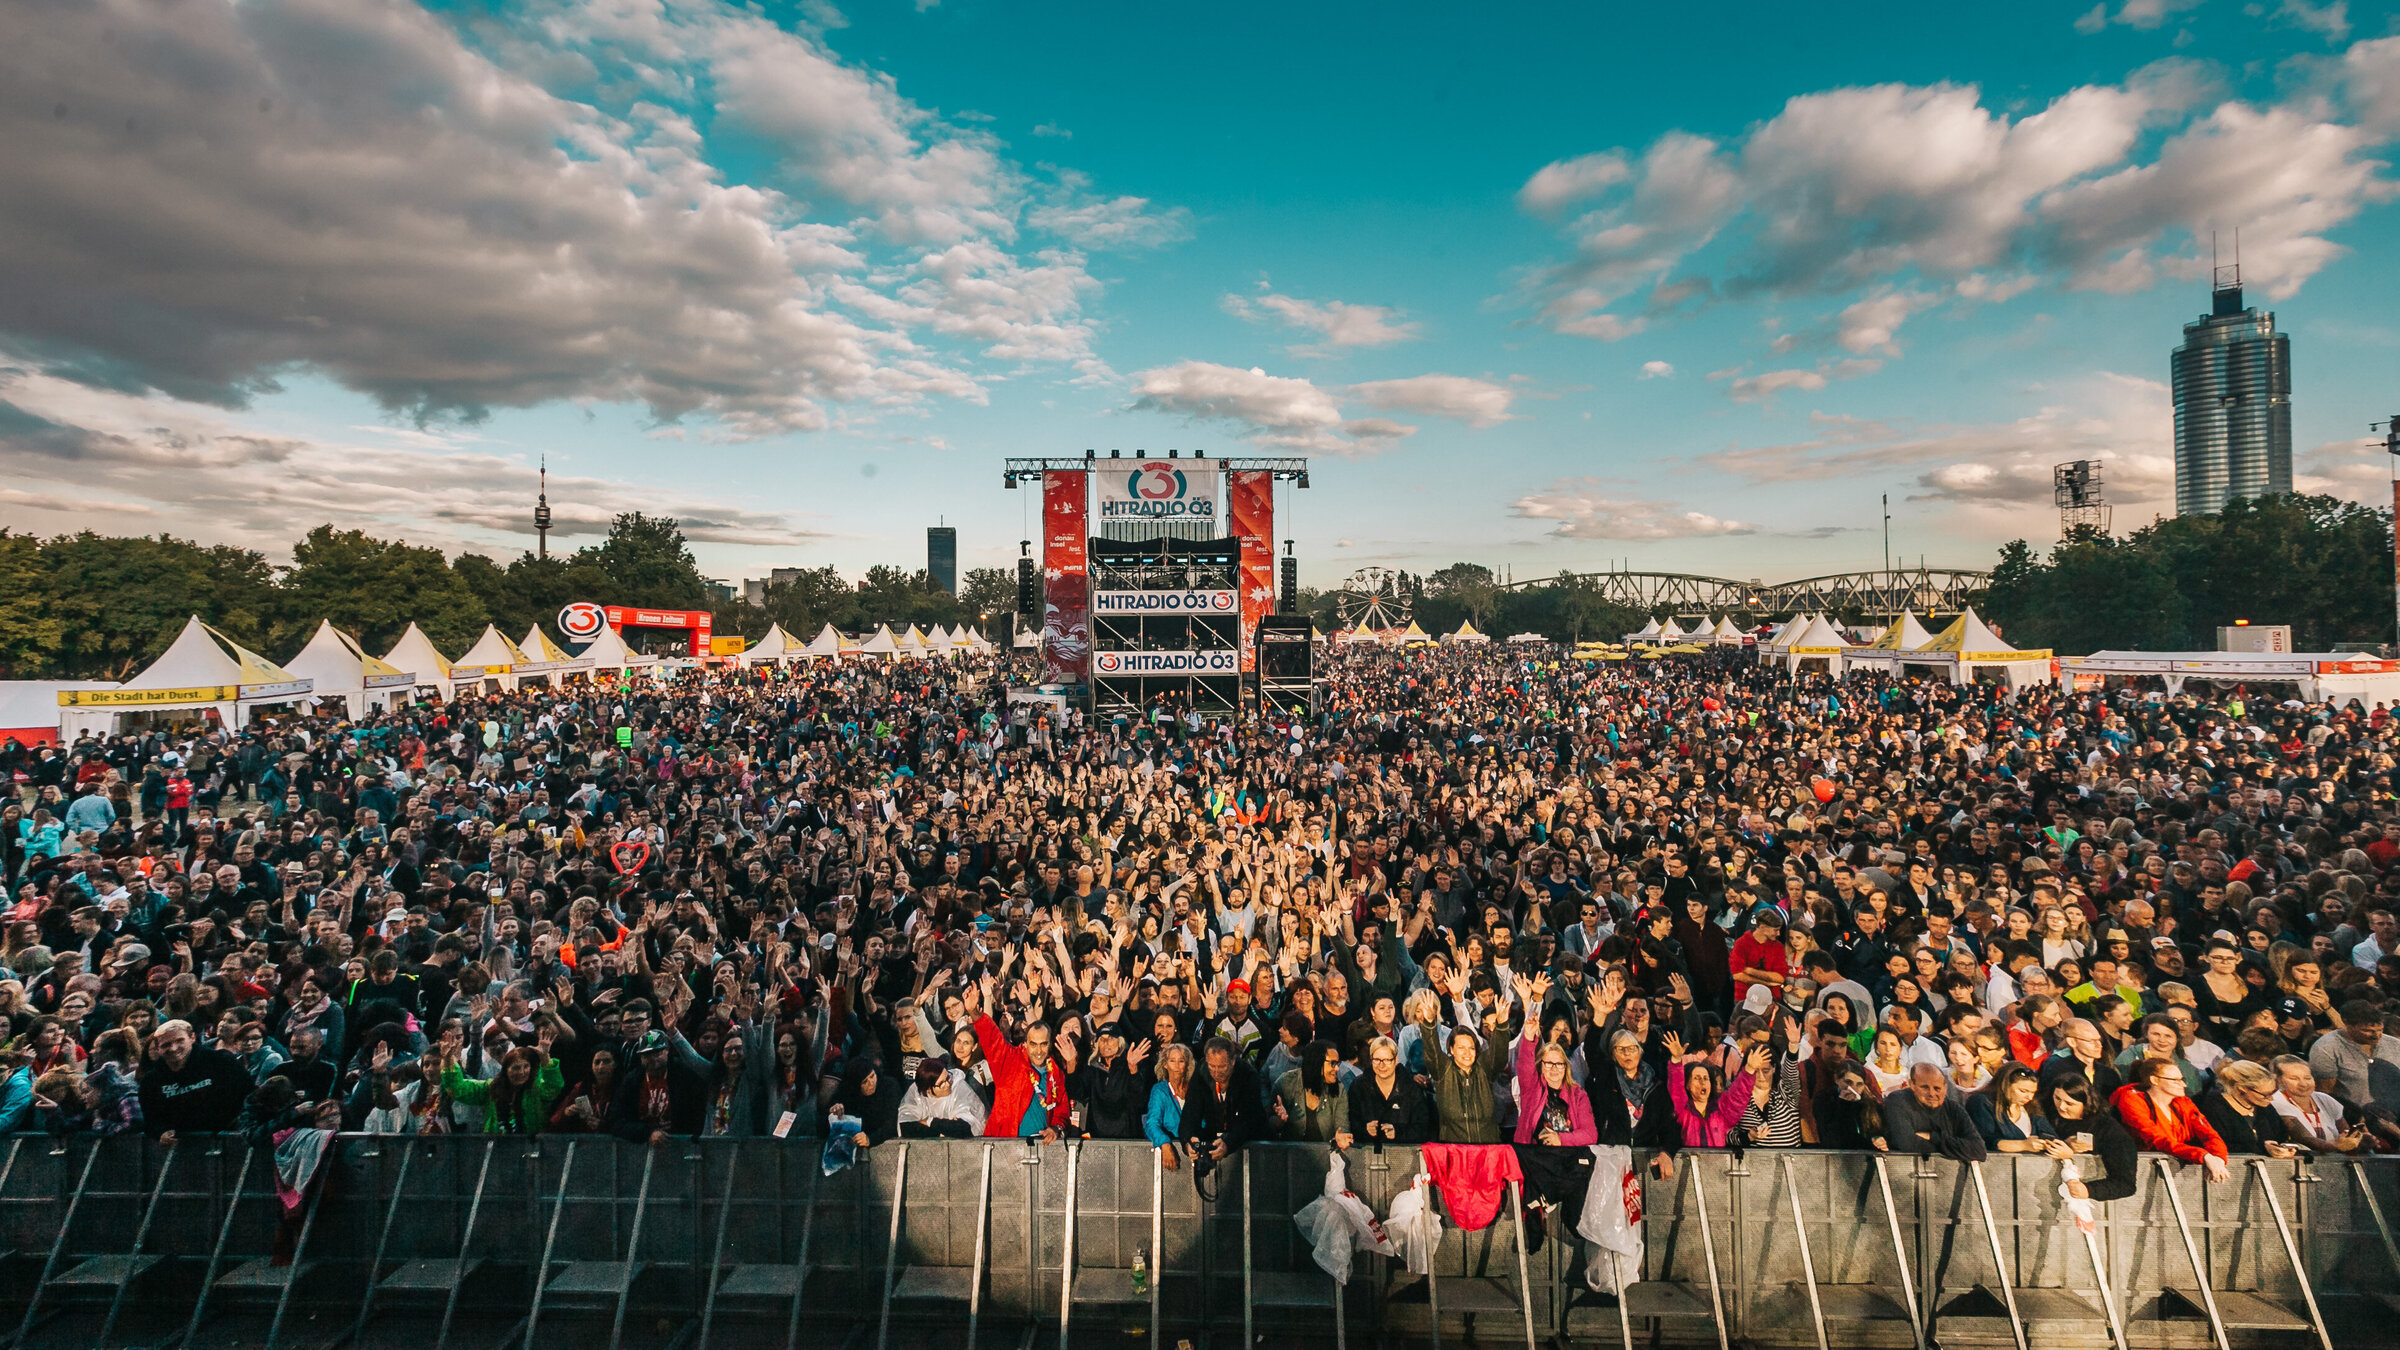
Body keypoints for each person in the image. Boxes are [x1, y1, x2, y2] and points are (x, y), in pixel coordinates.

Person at [2112, 1058, 2229, 1181]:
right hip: (2141, 1173)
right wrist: (2203, 1155)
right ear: (2154, 1080)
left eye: (2182, 1080)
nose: (2183, 1085)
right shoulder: (2131, 1099)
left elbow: (2209, 1134)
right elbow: (2156, 1139)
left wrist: (2218, 1158)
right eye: (2175, 1081)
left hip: (2177, 1172)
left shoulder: (2184, 1102)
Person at [137, 1018, 251, 1141]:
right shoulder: (151, 1080)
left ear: (192, 1037)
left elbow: (247, 1095)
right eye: (166, 1045)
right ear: (158, 1049)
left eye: (179, 1041)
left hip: (228, 1139)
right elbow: (150, 1118)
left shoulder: (221, 1062)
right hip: (181, 1147)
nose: (173, 1048)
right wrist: (161, 1133)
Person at [2040, 1075, 2138, 1202]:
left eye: (2069, 1103)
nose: (2061, 1107)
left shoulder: (2108, 1129)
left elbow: (2126, 1184)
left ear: (2086, 1103)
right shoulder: (2045, 1114)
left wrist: (2089, 1190)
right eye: (2057, 1098)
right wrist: (2066, 1147)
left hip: (2091, 1205)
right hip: (2041, 1194)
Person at [1882, 1064, 1988, 1161]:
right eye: (1925, 1087)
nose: (1932, 1093)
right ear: (1912, 1085)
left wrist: (1932, 1137)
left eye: (1937, 1088)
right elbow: (1907, 1144)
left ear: (1945, 1088)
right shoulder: (1897, 1101)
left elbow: (1979, 1151)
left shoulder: (1954, 1109)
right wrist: (1955, 1149)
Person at [2196, 1059, 2300, 1158]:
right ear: (2242, 1088)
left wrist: (2283, 1148)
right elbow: (2215, 1145)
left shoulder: (2265, 1108)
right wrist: (2263, 1148)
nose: (2271, 1099)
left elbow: (2281, 1136)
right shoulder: (2210, 1107)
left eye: (2272, 1093)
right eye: (2265, 1095)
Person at [1348, 1034, 1432, 1145]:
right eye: (1377, 1060)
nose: (1381, 1065)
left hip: (1403, 1155)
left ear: (1395, 1060)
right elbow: (1350, 1122)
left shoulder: (1412, 1089)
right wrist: (1365, 1129)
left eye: (1387, 1060)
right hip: (1367, 1154)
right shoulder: (1358, 1086)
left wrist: (1398, 1132)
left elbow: (1423, 1129)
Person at [1272, 1041, 1353, 1147]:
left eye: (1337, 1064)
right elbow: (1268, 1125)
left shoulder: (1339, 1090)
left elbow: (1342, 1127)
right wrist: (1279, 1121)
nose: (1337, 1068)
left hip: (1325, 1157)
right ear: (1317, 1063)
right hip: (1289, 1157)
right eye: (1332, 1063)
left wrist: (1341, 1139)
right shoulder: (1286, 1083)